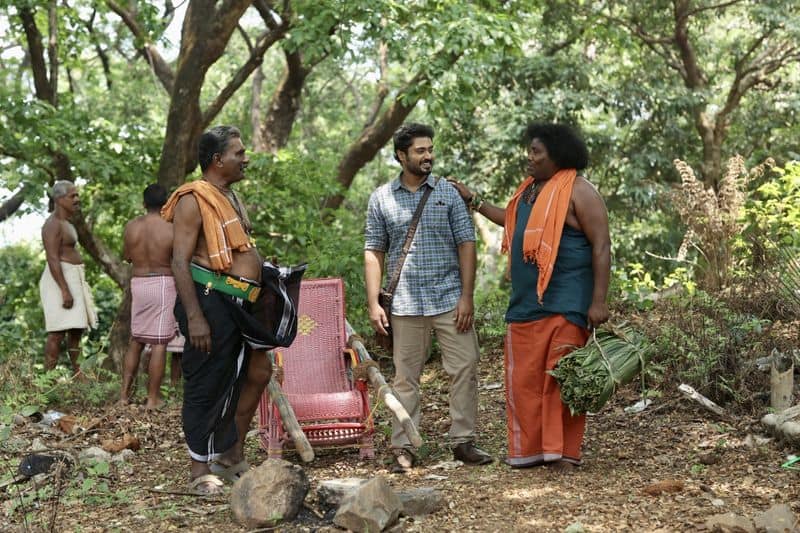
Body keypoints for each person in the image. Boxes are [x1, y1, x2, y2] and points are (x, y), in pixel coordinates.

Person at [449, 122, 611, 471]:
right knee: (523, 383)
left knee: (560, 382)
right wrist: (473, 200)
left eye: (537, 152)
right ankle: (532, 452)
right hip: (525, 306)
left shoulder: (580, 192)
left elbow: (601, 245)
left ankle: (562, 454)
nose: (529, 157)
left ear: (558, 156)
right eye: (530, 150)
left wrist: (599, 301)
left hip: (567, 303)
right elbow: (510, 222)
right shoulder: (529, 192)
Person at [364, 122, 493, 473]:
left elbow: (467, 244)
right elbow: (373, 251)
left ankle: (463, 441)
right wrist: (374, 301)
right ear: (401, 155)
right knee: (405, 378)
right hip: (404, 303)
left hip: (449, 298)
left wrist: (467, 297)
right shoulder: (381, 199)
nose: (428, 156)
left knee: (465, 367)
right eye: (420, 150)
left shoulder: (448, 193)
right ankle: (404, 445)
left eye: (430, 149)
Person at [162, 126, 281, 495]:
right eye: (239, 153)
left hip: (242, 304)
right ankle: (200, 469)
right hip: (208, 301)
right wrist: (195, 317)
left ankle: (230, 454)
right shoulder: (192, 199)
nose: (245, 159)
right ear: (217, 160)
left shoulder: (230, 196)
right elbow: (179, 262)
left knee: (258, 370)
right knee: (206, 383)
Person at [120, 184, 179, 410]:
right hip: (163, 283)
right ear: (165, 204)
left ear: (144, 203)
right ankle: (153, 399)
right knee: (160, 343)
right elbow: (178, 258)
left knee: (136, 339)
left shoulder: (131, 227)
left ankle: (124, 397)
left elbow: (127, 256)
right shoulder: (170, 227)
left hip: (139, 283)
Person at [39, 180, 98, 375]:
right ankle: (47, 380)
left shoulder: (67, 224)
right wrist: (64, 289)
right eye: (72, 196)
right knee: (57, 333)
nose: (77, 199)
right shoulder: (52, 225)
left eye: (77, 195)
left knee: (76, 330)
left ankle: (79, 375)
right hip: (59, 280)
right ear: (58, 199)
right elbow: (52, 258)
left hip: (73, 277)